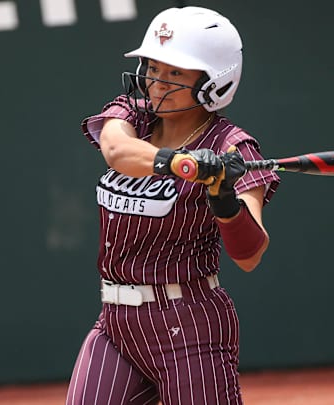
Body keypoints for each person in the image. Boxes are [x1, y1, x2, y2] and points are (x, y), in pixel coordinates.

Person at [66, 6, 281, 404]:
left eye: (176, 73)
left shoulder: (232, 147)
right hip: (115, 325)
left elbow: (249, 254)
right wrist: (181, 163)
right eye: (153, 68)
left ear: (213, 83)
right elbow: (116, 150)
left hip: (189, 326)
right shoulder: (133, 116)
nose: (156, 83)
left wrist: (222, 197)